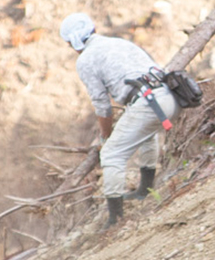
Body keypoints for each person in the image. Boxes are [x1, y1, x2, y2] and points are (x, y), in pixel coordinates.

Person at [60, 12, 173, 228]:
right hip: (169, 96)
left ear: (73, 41)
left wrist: (106, 137)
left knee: (112, 154)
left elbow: (102, 106)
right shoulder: (119, 43)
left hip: (149, 102)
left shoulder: (86, 59)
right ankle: (146, 190)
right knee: (146, 134)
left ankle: (115, 219)